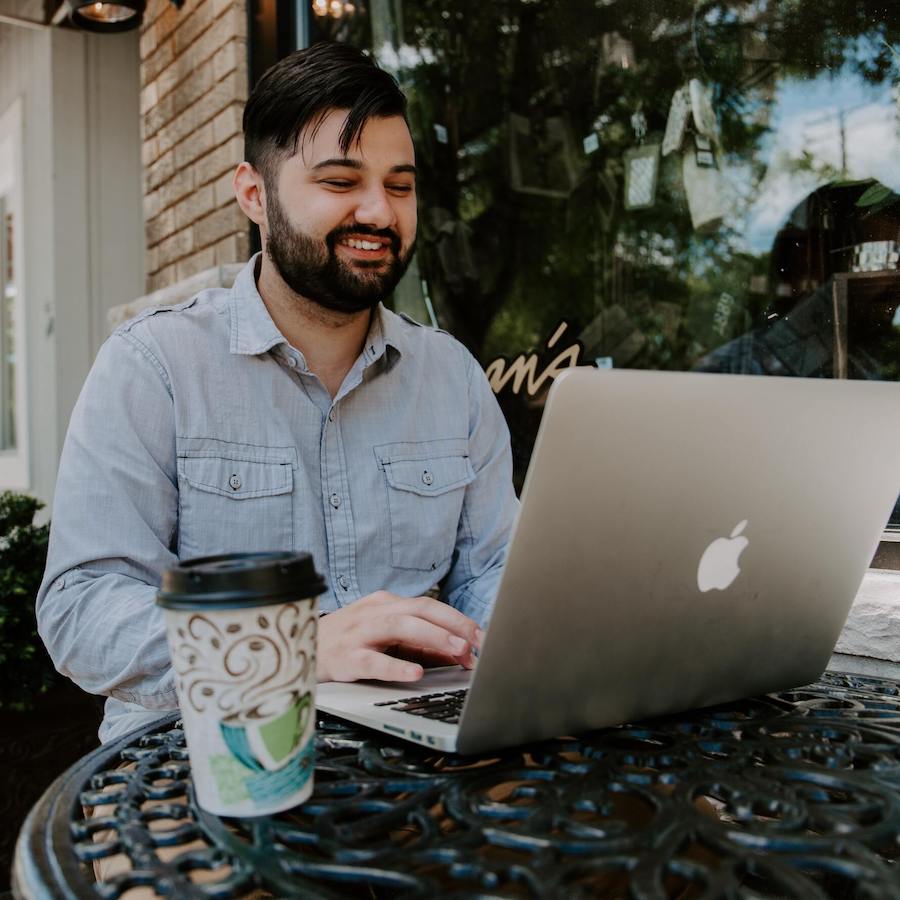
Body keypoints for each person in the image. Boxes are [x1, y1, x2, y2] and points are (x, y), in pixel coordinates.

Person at [36, 42, 519, 742]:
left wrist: (511, 641)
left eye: (401, 185)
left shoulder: (454, 378)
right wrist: (294, 651)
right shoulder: (153, 368)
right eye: (340, 180)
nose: (380, 213)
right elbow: (83, 612)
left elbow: (494, 571)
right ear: (253, 194)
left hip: (412, 762)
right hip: (195, 768)